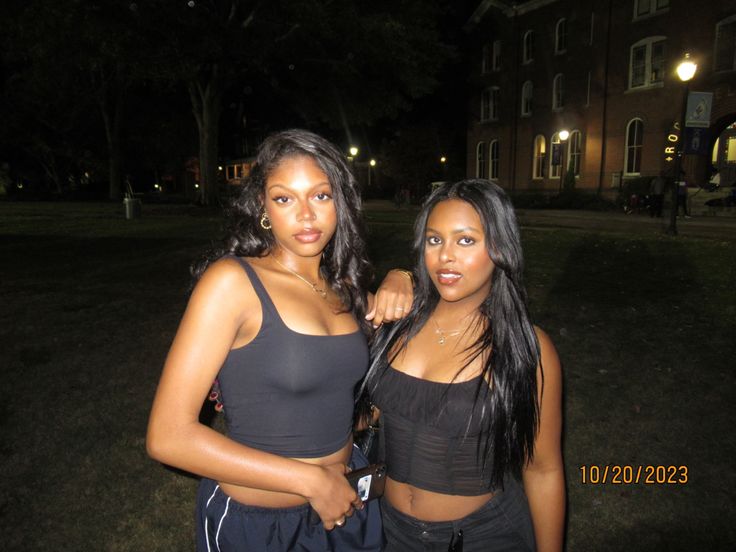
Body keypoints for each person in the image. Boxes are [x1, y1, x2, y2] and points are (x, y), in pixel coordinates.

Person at [146, 129, 414, 551]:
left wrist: (404, 275)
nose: (306, 215)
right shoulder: (233, 283)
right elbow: (167, 436)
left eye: (321, 196)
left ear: (340, 204)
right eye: (285, 198)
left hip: (346, 504)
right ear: (262, 208)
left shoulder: (345, 288)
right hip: (261, 527)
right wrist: (309, 481)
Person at [361, 179, 565, 551]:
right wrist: (399, 275)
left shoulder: (524, 347)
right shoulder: (397, 323)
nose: (445, 256)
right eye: (435, 240)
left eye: (466, 240)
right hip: (389, 531)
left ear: (499, 247)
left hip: (481, 536)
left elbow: (543, 468)